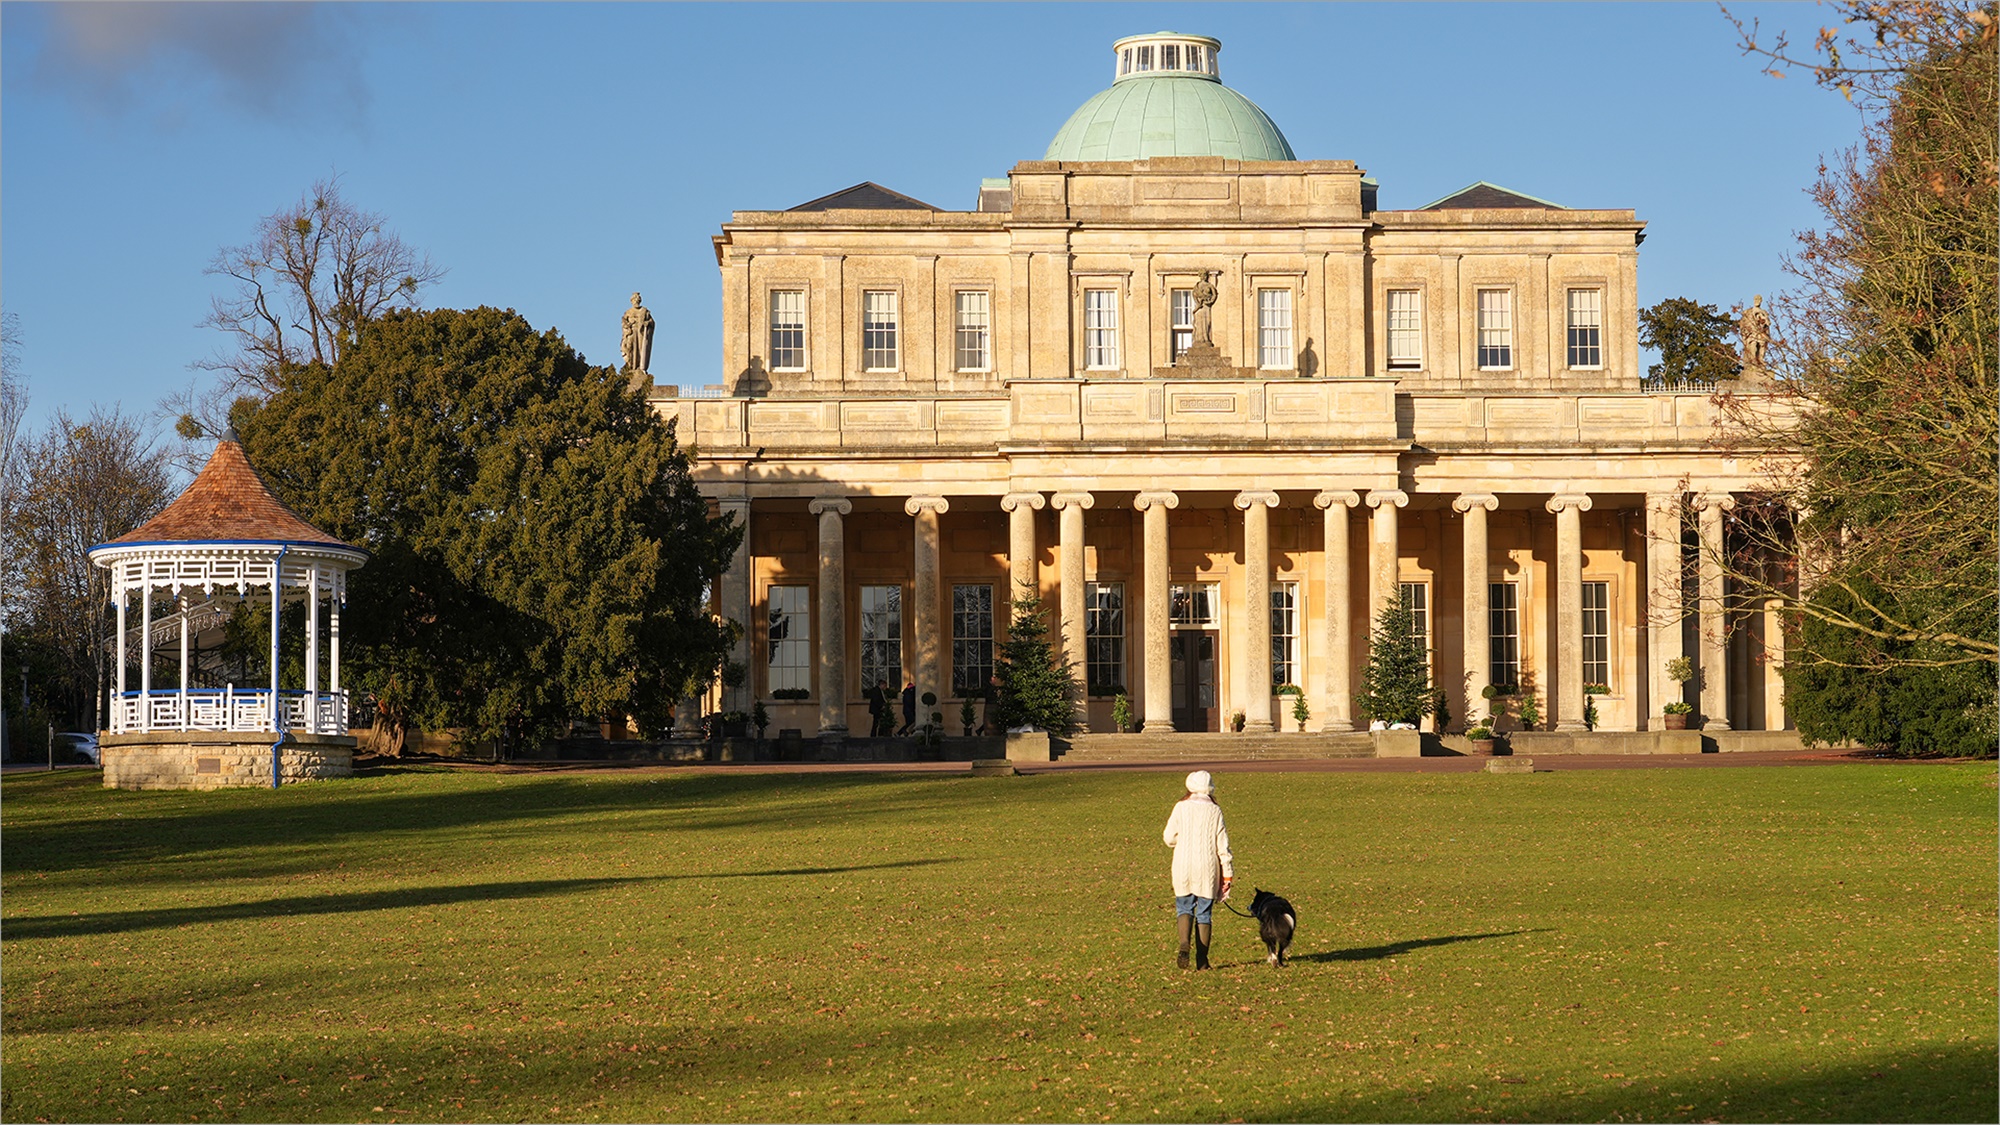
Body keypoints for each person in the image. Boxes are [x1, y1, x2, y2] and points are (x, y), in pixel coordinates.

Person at [1162, 769, 1233, 970]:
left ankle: (1184, 942)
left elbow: (1168, 837)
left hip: (1183, 864)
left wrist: (1182, 841)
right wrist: (1227, 874)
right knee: (1204, 914)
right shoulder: (1215, 811)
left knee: (1184, 907)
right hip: (1207, 867)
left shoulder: (1180, 807)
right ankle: (1202, 961)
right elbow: (1223, 846)